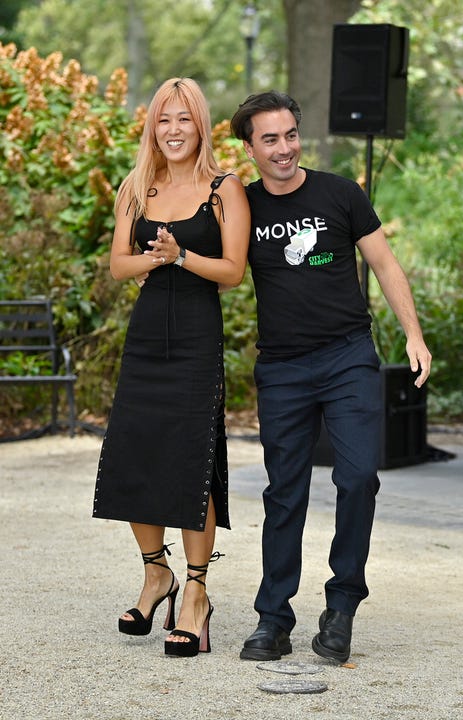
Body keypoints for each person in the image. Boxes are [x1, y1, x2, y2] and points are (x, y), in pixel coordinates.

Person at [230, 91, 432, 663]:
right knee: (285, 492)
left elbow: (385, 264)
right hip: (283, 368)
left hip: (347, 358)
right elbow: (218, 268)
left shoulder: (341, 193)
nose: (285, 148)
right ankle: (273, 618)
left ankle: (341, 607)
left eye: (290, 134)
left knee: (358, 478)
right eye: (270, 139)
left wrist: (413, 336)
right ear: (250, 148)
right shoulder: (243, 206)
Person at [92, 77, 250, 658]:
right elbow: (116, 265)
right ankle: (157, 574)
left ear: (201, 125)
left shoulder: (225, 188)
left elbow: (234, 272)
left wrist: (180, 256)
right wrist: (151, 261)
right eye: (164, 119)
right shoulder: (138, 186)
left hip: (196, 338)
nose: (174, 130)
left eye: (185, 119)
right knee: (137, 451)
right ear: (152, 126)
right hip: (146, 338)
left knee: (191, 459)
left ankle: (197, 593)